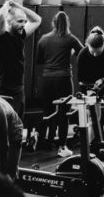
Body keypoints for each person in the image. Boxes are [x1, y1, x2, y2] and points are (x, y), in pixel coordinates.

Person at [34, 11, 83, 156]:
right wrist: (70, 54)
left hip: (47, 79)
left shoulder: (43, 39)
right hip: (63, 79)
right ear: (67, 23)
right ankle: (62, 147)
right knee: (63, 113)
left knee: (47, 111)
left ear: (53, 23)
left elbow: (39, 61)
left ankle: (42, 140)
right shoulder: (70, 39)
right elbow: (83, 52)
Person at [0, 0, 41, 119]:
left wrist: (18, 6)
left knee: (18, 127)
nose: (23, 24)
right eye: (19, 21)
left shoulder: (20, 35)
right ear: (8, 22)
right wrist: (5, 6)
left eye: (24, 21)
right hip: (3, 91)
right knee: (4, 128)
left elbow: (37, 20)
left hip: (19, 90)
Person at [77, 26, 104, 149]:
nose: (95, 55)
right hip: (91, 87)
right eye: (92, 52)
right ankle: (89, 151)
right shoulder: (83, 54)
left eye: (98, 51)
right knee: (94, 120)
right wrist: (90, 92)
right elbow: (81, 79)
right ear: (88, 46)